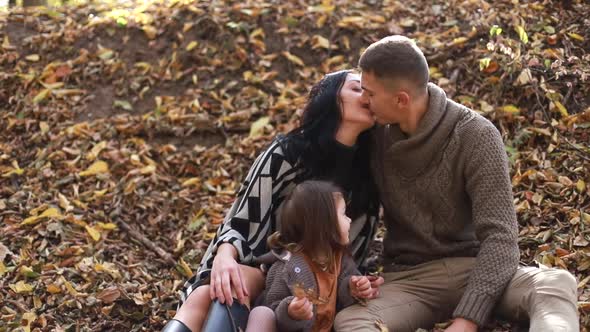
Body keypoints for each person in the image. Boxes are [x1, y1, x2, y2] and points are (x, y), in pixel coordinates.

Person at [333, 35, 579, 332]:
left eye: (370, 94)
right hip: (411, 281)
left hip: (477, 269)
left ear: (401, 100)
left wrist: (467, 320)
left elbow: (501, 237)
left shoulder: (476, 135)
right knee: (352, 321)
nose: (363, 100)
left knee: (554, 284)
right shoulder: (374, 136)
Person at [162, 70, 382, 332]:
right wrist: (225, 255)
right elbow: (242, 219)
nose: (366, 96)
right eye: (357, 89)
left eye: (371, 92)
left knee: (225, 292)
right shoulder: (285, 154)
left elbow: (350, 256)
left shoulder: (369, 177)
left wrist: (358, 284)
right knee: (221, 289)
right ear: (331, 99)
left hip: (310, 293)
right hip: (261, 265)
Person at [262, 180, 377, 332]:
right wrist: (290, 312)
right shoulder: (287, 267)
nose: (349, 220)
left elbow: (343, 292)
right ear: (323, 224)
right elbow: (271, 311)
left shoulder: (339, 259)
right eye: (343, 214)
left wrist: (353, 288)